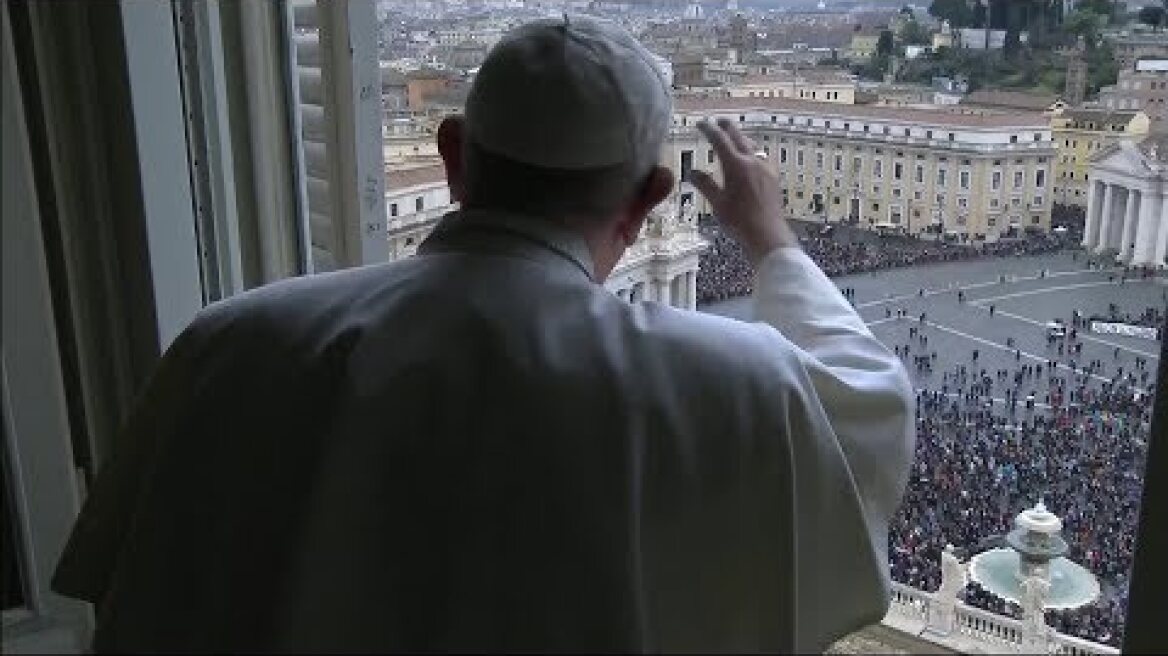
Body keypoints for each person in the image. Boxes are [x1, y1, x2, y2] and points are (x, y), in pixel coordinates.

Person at [50, 17, 914, 654]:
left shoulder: (223, 346)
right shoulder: (736, 384)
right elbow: (874, 414)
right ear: (652, 197)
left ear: (455, 157)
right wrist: (771, 238)